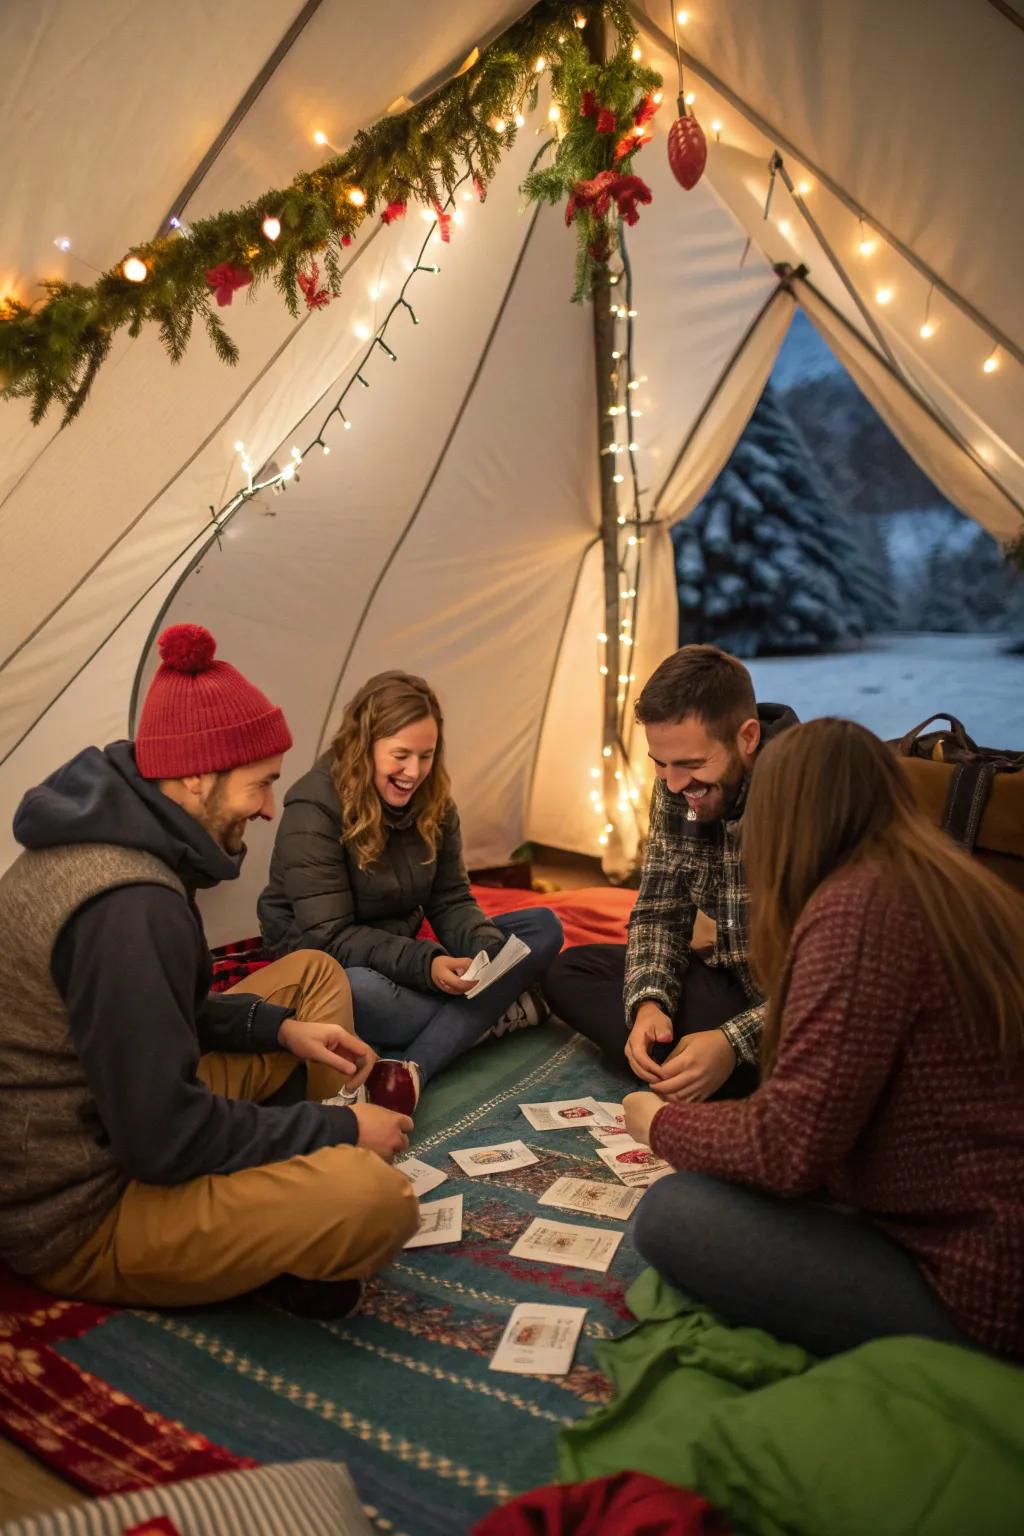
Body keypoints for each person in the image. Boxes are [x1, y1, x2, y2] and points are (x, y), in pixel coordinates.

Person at [0, 623, 418, 1320]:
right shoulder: (130, 904)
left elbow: (164, 1015)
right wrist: (340, 1136)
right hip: (83, 1205)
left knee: (310, 976)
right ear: (197, 775)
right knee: (376, 1200)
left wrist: (281, 1032)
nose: (266, 807)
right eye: (259, 785)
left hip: (117, 1111)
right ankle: (295, 1201)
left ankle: (288, 1170)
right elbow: (161, 1139)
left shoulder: (124, 837)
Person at [624, 718, 1024, 1362]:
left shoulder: (856, 912)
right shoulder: (944, 878)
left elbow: (787, 1150)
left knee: (673, 1214)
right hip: (969, 1222)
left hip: (980, 1283)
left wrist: (660, 1124)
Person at [258, 670, 563, 1113]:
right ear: (365, 747)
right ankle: (493, 1018)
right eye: (400, 755)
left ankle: (414, 1062)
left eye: (426, 755)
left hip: (404, 960)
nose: (414, 772)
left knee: (542, 926)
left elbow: (451, 899)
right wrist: (429, 962)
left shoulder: (433, 798)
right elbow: (330, 936)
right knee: (359, 991)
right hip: (330, 962)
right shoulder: (315, 807)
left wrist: (486, 950)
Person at [544, 645, 796, 1102]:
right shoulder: (676, 786)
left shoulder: (809, 793)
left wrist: (732, 1043)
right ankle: (706, 1066)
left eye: (692, 765)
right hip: (732, 985)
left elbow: (842, 982)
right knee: (568, 972)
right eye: (660, 763)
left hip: (804, 1008)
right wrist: (649, 1002)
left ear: (748, 737)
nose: (673, 784)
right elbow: (661, 910)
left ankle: (728, 1069)